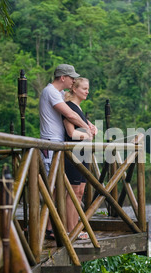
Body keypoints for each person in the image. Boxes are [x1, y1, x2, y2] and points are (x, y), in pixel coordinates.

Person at [39, 64, 95, 240]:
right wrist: (87, 128)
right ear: (63, 77)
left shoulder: (59, 94)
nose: (73, 81)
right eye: (71, 78)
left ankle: (49, 228)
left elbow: (73, 108)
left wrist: (88, 124)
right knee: (53, 188)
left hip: (59, 144)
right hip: (51, 143)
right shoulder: (51, 92)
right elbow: (70, 115)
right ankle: (49, 229)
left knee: (57, 189)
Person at [63, 78, 93, 239]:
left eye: (88, 89)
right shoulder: (68, 107)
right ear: (75, 89)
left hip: (84, 152)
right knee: (74, 192)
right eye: (84, 88)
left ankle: (75, 229)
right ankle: (71, 230)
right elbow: (70, 133)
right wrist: (86, 134)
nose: (87, 91)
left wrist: (90, 128)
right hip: (73, 152)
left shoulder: (78, 108)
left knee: (80, 191)